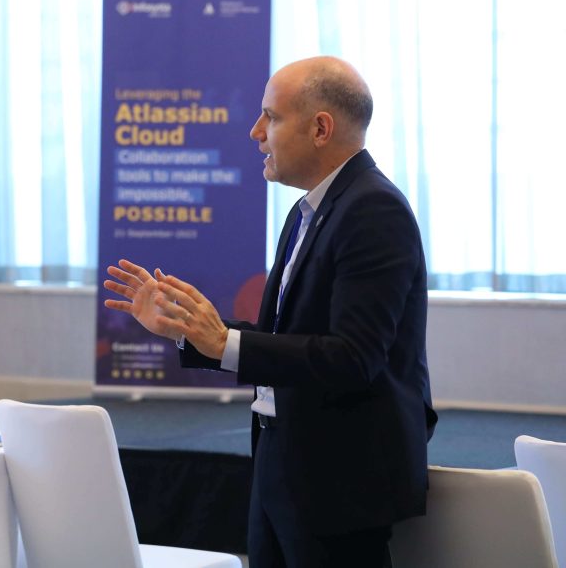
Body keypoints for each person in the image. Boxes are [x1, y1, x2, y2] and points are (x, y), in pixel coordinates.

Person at [104, 56, 437, 568]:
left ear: (320, 128)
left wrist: (225, 342)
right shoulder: (308, 211)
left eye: (271, 117)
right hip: (282, 465)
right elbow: (285, 339)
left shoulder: (374, 210)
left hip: (341, 483)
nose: (255, 131)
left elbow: (353, 358)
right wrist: (188, 330)